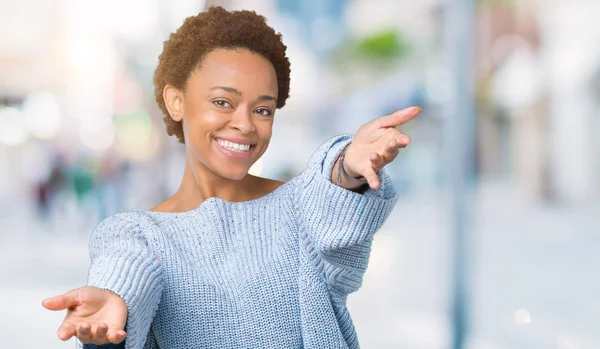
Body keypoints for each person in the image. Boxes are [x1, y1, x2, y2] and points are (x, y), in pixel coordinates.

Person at [42, 6, 420, 349]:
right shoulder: (139, 234)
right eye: (223, 102)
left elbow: (333, 200)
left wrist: (348, 166)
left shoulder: (301, 210)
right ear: (176, 101)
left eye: (263, 109)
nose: (244, 124)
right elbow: (127, 270)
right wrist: (114, 303)